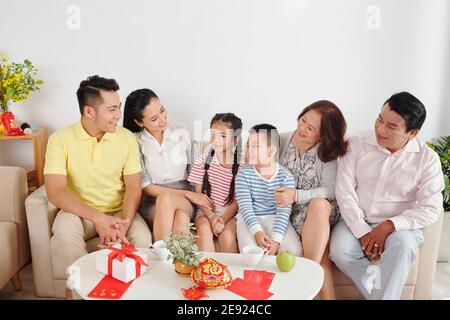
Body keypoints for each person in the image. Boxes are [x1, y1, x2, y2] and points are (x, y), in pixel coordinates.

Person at [330, 92, 445, 299]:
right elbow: (344, 191)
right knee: (340, 251)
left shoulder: (427, 159)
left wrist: (390, 224)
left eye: (392, 127)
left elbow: (431, 207)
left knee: (403, 247)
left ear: (412, 133)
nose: (380, 129)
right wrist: (363, 231)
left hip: (401, 227)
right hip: (355, 219)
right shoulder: (356, 144)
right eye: (380, 119)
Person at [45, 75, 152, 282]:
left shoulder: (126, 138)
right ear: (89, 111)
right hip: (78, 213)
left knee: (142, 239)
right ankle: (78, 291)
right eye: (112, 110)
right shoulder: (60, 139)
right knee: (65, 235)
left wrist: (122, 226)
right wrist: (99, 219)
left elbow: (133, 188)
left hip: (119, 211)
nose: (119, 115)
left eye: (119, 107)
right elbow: (55, 191)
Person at [276, 100, 348, 299]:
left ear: (323, 135)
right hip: (288, 213)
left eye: (311, 128)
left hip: (317, 211)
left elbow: (332, 189)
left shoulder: (326, 152)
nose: (302, 129)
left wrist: (297, 195)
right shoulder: (280, 141)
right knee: (321, 253)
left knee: (318, 205)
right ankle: (309, 283)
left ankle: (303, 278)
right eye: (303, 120)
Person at [123, 89, 213, 241]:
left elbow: (196, 174)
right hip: (152, 202)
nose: (162, 119)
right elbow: (146, 187)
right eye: (154, 118)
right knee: (181, 218)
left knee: (169, 201)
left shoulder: (183, 133)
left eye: (162, 110)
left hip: (185, 200)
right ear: (139, 122)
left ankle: (159, 257)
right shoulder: (134, 141)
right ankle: (174, 263)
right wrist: (188, 194)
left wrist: (194, 196)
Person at [235, 124, 302, 256]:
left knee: (294, 251)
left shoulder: (285, 176)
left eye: (256, 146)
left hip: (276, 218)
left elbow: (284, 210)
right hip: (249, 219)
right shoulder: (243, 174)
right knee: (251, 253)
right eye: (249, 146)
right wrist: (257, 232)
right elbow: (245, 207)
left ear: (271, 152)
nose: (249, 151)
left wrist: (276, 240)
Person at [188, 113, 243, 253]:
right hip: (205, 211)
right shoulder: (202, 161)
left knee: (227, 237)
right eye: (213, 134)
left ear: (235, 139)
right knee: (204, 232)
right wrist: (212, 217)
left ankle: (230, 273)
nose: (216, 140)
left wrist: (223, 219)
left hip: (230, 213)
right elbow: (198, 196)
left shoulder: (243, 166)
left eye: (223, 136)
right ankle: (206, 271)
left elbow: (238, 200)